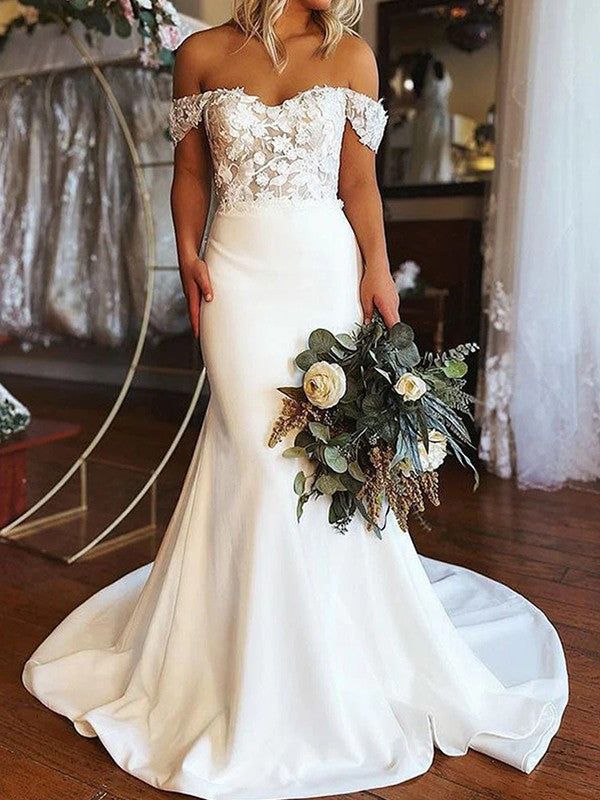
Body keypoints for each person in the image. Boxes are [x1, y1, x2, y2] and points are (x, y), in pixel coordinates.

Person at [22, 2, 568, 798]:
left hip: (324, 273)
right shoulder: (203, 54)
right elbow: (190, 173)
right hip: (235, 274)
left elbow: (357, 183)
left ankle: (325, 661)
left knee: (318, 462)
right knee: (253, 446)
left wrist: (377, 271)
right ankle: (242, 664)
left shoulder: (351, 57)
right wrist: (185, 254)